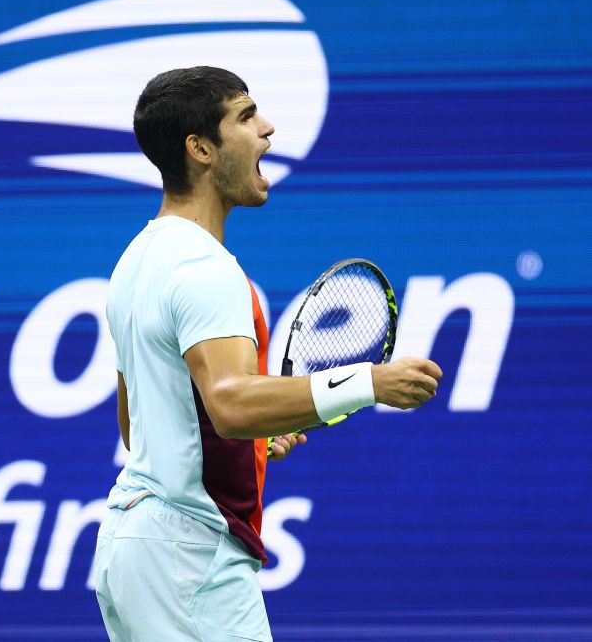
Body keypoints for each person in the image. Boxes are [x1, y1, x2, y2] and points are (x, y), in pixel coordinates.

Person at [93, 66, 442, 641]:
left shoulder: (136, 260)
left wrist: (251, 439)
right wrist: (370, 383)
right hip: (190, 556)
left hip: (135, 551)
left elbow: (140, 427)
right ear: (201, 148)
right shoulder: (206, 269)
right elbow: (229, 402)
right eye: (247, 117)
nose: (269, 130)